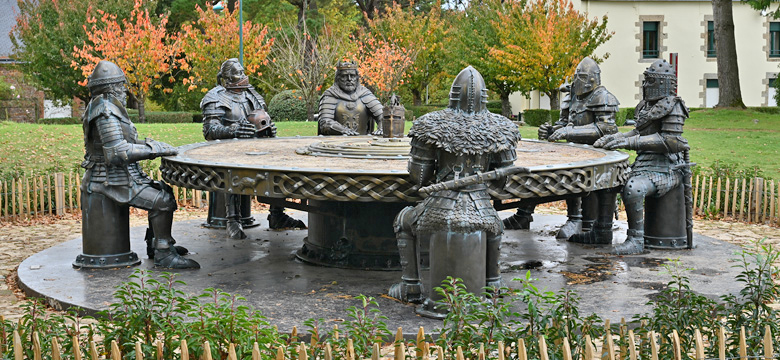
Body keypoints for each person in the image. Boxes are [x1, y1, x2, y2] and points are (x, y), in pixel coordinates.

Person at [388, 66, 520, 318]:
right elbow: (504, 181)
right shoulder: (502, 128)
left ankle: (411, 286)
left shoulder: (430, 124)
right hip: (481, 206)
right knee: (495, 225)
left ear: (452, 94)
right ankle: (493, 284)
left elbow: (419, 177)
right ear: (485, 96)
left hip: (440, 206)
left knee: (403, 220)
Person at [81, 60, 199, 269]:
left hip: (120, 176)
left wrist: (151, 144)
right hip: (108, 180)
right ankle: (163, 255)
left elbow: (126, 142)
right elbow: (117, 153)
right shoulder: (105, 111)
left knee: (162, 189)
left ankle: (156, 244)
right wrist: (155, 151)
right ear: (109, 88)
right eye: (119, 86)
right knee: (161, 200)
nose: (124, 91)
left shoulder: (106, 106)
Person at [503, 57, 620, 246]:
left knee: (574, 173)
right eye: (576, 77)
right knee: (536, 169)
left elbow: (606, 129)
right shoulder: (572, 96)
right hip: (571, 151)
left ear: (591, 79)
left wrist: (569, 131)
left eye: (580, 77)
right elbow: (563, 123)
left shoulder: (602, 97)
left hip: (597, 155)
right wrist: (551, 130)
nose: (576, 82)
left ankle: (575, 218)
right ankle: (523, 215)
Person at [201, 58, 305, 239]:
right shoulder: (215, 97)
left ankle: (277, 215)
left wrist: (268, 129)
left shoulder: (252, 95)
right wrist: (233, 130)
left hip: (256, 148)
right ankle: (233, 220)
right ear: (226, 77)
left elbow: (263, 119)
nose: (242, 75)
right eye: (237, 73)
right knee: (234, 166)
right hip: (227, 150)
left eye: (242, 71)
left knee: (280, 162)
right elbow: (209, 131)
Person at [594, 59, 690, 254]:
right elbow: (638, 132)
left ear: (662, 83)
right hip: (643, 164)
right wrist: (616, 138)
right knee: (607, 180)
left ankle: (636, 239)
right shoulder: (645, 106)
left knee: (633, 188)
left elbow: (670, 142)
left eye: (650, 81)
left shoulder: (673, 106)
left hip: (665, 168)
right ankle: (601, 231)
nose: (645, 85)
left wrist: (630, 143)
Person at [317, 60, 383, 136]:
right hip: (335, 144)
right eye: (344, 76)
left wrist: (382, 128)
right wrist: (342, 130)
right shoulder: (330, 95)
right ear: (338, 78)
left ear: (357, 78)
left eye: (352, 76)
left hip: (363, 144)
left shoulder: (365, 94)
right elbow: (325, 122)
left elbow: (384, 116)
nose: (349, 79)